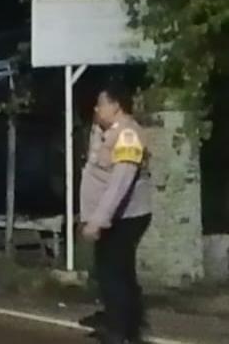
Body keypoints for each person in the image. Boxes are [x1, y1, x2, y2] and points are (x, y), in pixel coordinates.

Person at [80, 83, 153, 344]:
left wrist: (98, 220)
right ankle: (129, 327)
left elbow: (120, 182)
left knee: (113, 274)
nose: (96, 109)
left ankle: (119, 331)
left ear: (116, 106)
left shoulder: (128, 135)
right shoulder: (105, 131)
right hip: (114, 216)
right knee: (117, 272)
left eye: (101, 104)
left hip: (125, 217)